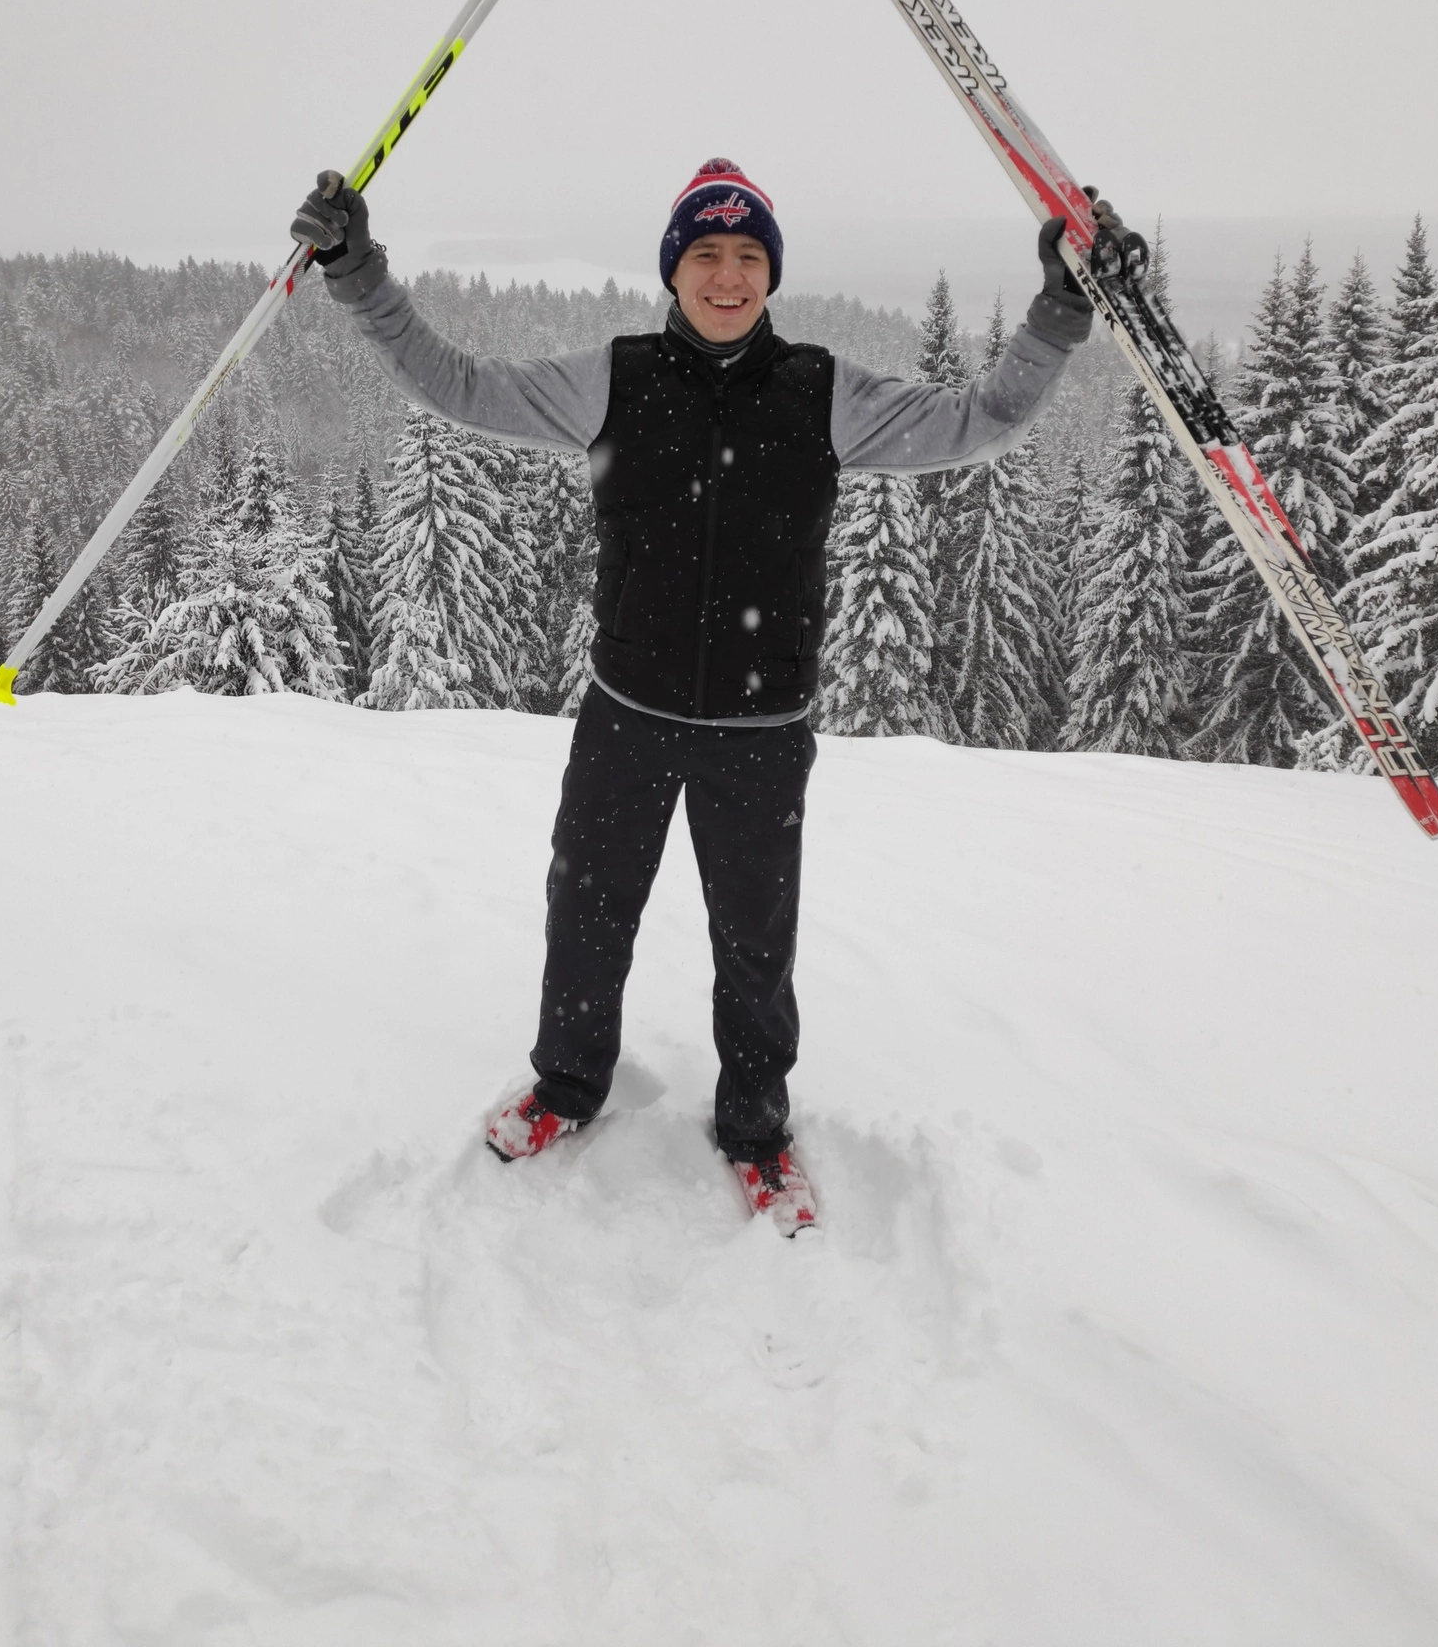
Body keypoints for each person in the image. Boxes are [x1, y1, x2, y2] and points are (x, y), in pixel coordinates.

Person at [292, 157, 1094, 1232]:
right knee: (587, 914)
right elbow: (460, 386)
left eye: (749, 255)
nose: (728, 275)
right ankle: (567, 1086)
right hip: (626, 713)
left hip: (762, 732)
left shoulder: (822, 394)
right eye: (707, 254)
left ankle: (756, 1130)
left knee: (755, 945)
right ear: (674, 269)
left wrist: (1060, 308)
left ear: (772, 272)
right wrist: (357, 272)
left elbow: (980, 420)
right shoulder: (613, 380)